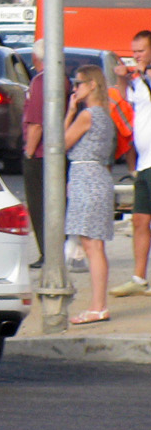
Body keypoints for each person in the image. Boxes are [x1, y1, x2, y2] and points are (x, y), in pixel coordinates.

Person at [65, 65, 116, 325]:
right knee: (94, 245)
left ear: (92, 85)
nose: (75, 89)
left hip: (88, 179)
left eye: (78, 84)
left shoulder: (88, 115)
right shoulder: (104, 114)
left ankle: (98, 306)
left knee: (92, 246)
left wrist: (70, 112)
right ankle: (98, 305)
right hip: (96, 177)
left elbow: (61, 143)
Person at [111, 29, 151, 296]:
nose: (136, 56)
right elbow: (127, 105)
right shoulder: (138, 81)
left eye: (141, 51)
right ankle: (139, 277)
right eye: (133, 51)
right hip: (144, 162)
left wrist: (139, 73)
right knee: (139, 219)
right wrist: (123, 80)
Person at [22, 39, 47, 268]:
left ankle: (46, 253)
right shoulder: (62, 80)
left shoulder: (40, 81)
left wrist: (29, 152)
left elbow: (36, 122)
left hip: (38, 153)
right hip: (50, 153)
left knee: (38, 205)